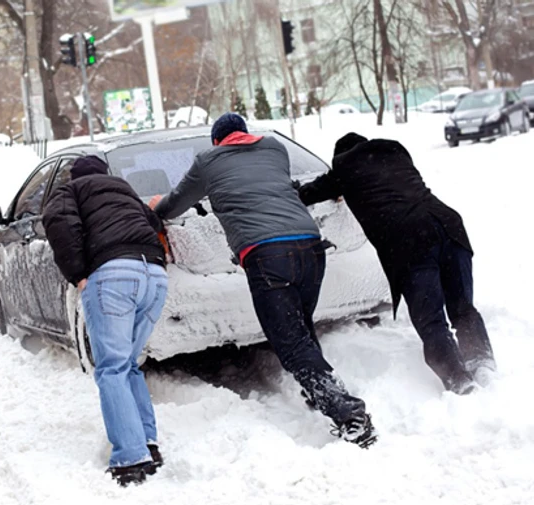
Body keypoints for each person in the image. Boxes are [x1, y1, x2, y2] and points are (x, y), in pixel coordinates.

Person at [149, 113, 377, 448]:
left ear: (217, 141)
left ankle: (347, 413)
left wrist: (157, 206)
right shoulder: (274, 148)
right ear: (245, 133)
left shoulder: (208, 161)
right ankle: (319, 391)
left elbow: (175, 204)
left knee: (290, 343)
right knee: (300, 328)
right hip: (311, 249)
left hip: (268, 256)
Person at [297, 133, 495, 394]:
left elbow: (306, 193)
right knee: (462, 306)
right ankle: (480, 361)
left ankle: (458, 380)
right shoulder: (395, 150)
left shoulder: (344, 169)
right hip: (448, 226)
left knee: (431, 318)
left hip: (411, 240)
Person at [43, 155, 168, 486]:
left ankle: (130, 457)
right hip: (154, 275)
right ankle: (148, 444)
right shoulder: (125, 189)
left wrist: (77, 273)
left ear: (74, 176)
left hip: (114, 275)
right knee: (128, 364)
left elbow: (58, 223)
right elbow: (153, 224)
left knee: (111, 368)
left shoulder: (70, 191)